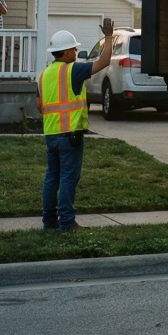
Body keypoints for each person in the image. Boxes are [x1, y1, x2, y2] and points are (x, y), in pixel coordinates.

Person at [37, 19, 114, 231]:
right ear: (65, 52)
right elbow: (103, 61)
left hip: (50, 134)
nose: (76, 52)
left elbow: (39, 105)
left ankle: (49, 221)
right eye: (73, 49)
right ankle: (67, 222)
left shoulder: (43, 75)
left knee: (52, 177)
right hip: (69, 135)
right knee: (68, 178)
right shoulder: (73, 70)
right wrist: (108, 37)